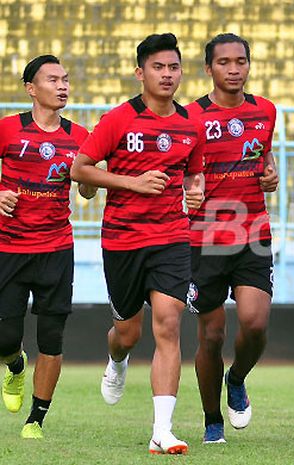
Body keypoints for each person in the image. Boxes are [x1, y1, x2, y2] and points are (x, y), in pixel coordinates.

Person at [70, 33, 205, 455]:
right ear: (140, 72)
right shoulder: (117, 120)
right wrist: (131, 182)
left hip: (171, 238)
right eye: (158, 68)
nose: (167, 75)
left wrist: (195, 191)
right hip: (123, 240)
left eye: (174, 68)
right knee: (127, 333)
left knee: (168, 323)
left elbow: (194, 175)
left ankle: (162, 431)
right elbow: (79, 168)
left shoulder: (190, 124)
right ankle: (117, 359)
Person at [185, 33, 278, 444]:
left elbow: (264, 157)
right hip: (203, 238)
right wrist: (187, 188)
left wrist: (271, 175)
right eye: (224, 62)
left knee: (255, 324)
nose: (234, 69)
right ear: (209, 69)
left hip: (252, 232)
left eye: (241, 61)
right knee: (212, 334)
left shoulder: (265, 111)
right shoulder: (188, 117)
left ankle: (236, 378)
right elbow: (176, 171)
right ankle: (211, 421)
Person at [0, 55, 93, 439]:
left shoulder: (80, 136)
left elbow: (88, 187)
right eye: (53, 79)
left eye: (66, 79)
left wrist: (89, 183)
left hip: (56, 247)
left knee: (51, 337)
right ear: (30, 88)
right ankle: (15, 366)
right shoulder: (7, 130)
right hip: (9, 248)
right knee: (5, 339)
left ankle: (35, 420)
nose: (62, 86)